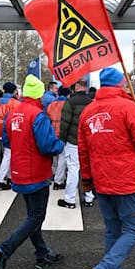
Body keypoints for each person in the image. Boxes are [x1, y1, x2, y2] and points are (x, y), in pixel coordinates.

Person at [79, 67, 135, 269]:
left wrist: (87, 178)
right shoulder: (128, 107)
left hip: (101, 180)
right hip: (126, 180)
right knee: (133, 229)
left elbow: (83, 149)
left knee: (113, 229)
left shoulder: (88, 111)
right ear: (121, 85)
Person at [0, 74, 66, 269]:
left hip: (19, 170)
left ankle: (42, 254)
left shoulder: (13, 113)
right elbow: (47, 145)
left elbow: (6, 142)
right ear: (40, 94)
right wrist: (60, 144)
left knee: (33, 215)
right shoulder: (38, 115)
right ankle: (3, 251)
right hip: (37, 172)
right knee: (36, 217)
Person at [58, 77, 95, 208]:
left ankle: (70, 199)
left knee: (73, 169)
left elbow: (65, 123)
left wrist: (61, 139)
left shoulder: (70, 102)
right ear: (85, 87)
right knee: (88, 170)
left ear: (76, 87)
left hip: (73, 141)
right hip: (89, 141)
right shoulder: (92, 102)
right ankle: (89, 197)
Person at [0, 82, 20, 191]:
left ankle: (9, 177)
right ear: (14, 91)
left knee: (7, 155)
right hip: (9, 132)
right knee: (8, 156)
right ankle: (0, 180)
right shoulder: (15, 103)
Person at [48, 87, 70, 191]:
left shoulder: (51, 104)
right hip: (63, 133)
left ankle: (54, 174)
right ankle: (59, 180)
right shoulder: (68, 104)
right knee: (63, 158)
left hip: (52, 132)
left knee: (55, 157)